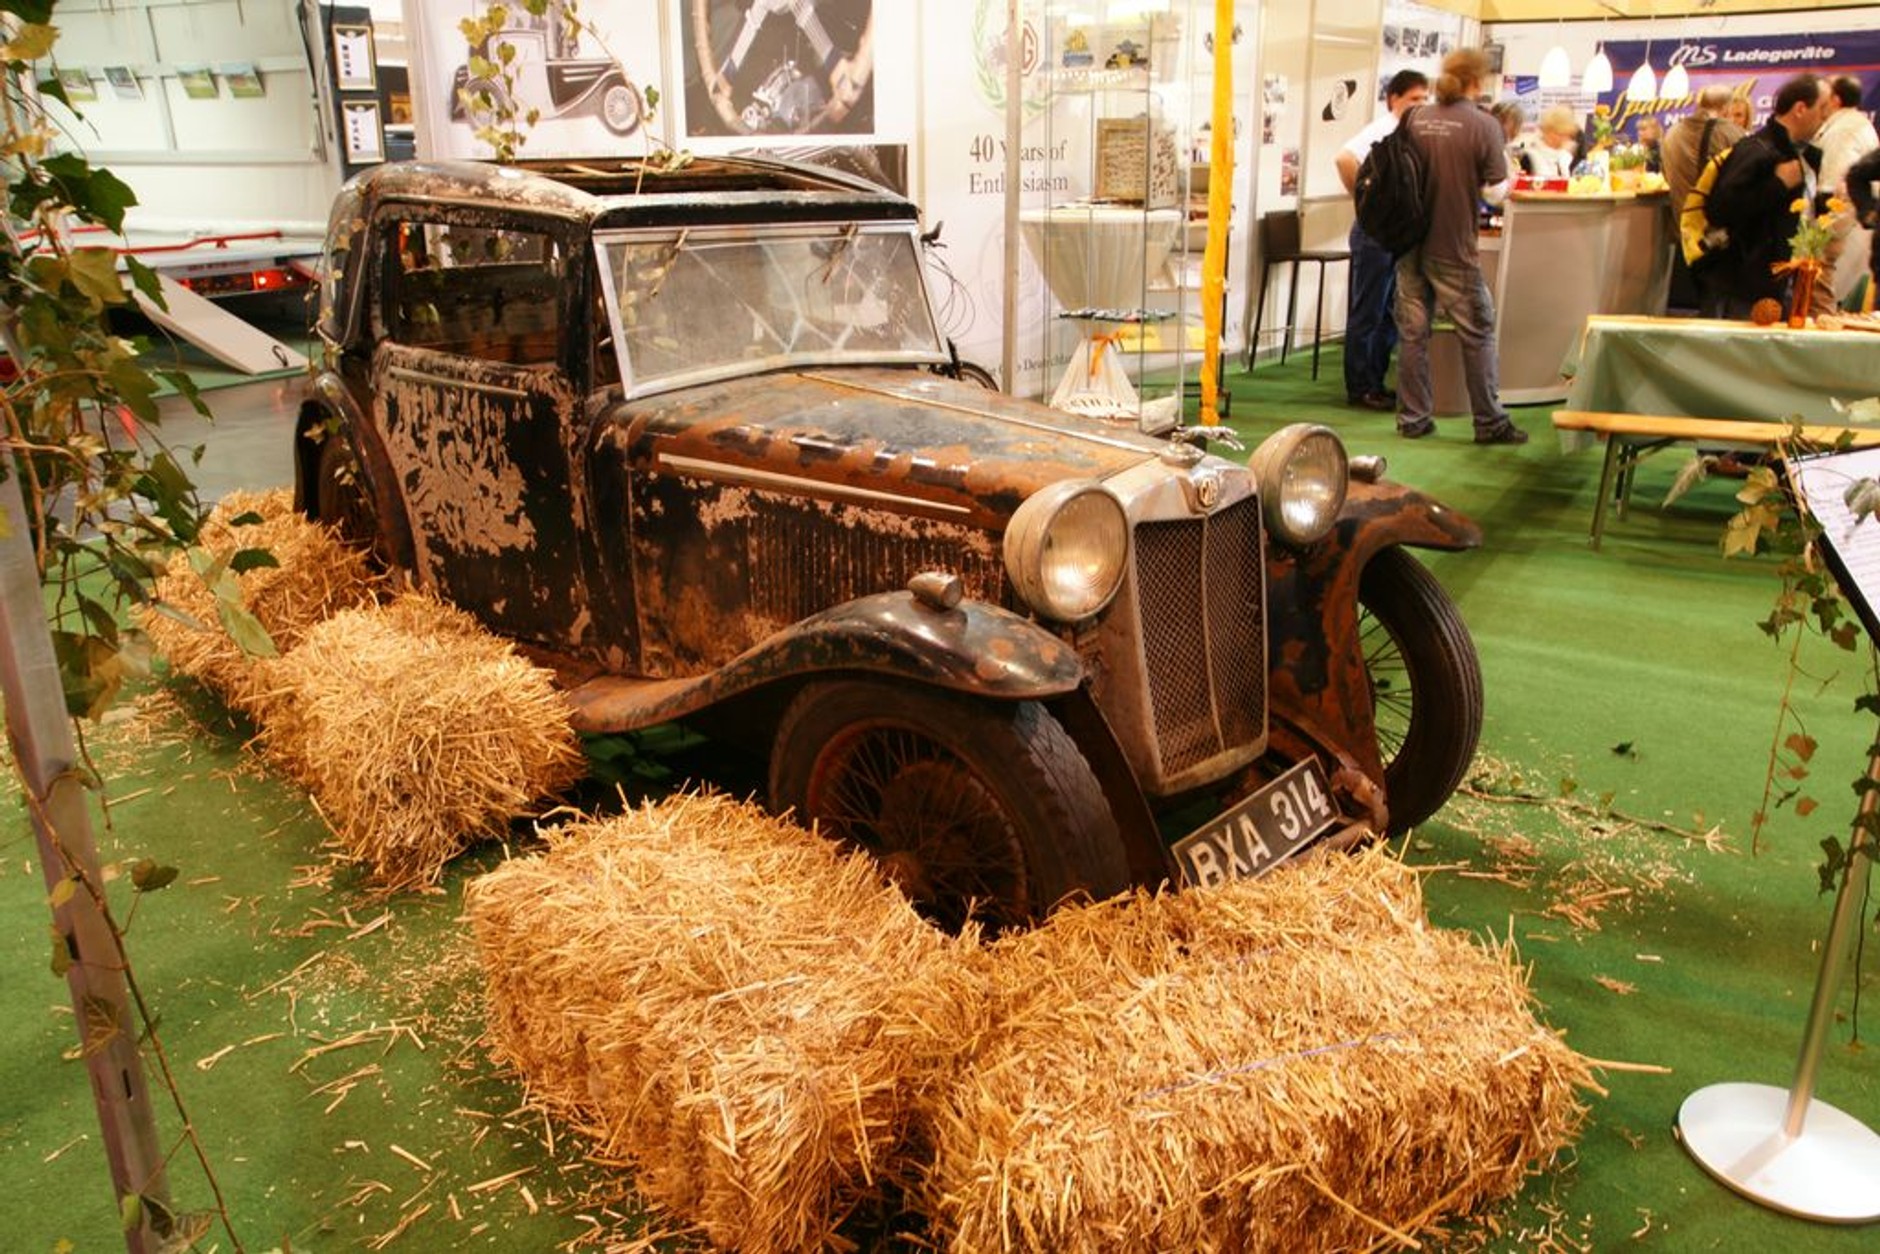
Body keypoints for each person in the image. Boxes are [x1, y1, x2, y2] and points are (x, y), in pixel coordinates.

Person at [1392, 48, 1521, 444]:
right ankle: (1490, 422)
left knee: (1413, 335)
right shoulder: (1484, 125)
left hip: (1409, 243)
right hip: (1453, 246)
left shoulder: (1415, 118)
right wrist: (1513, 180)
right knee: (1477, 332)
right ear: (1477, 81)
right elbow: (1495, 193)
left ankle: (1413, 418)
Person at [1333, 68, 1430, 412]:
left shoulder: (1412, 132)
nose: (1421, 104)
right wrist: (1365, 200)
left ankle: (1374, 382)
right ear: (1394, 99)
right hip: (1374, 232)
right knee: (1368, 311)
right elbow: (1344, 158)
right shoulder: (1383, 130)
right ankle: (1360, 386)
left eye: (1425, 98)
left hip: (1393, 234)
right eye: (1414, 98)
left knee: (1389, 311)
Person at [1699, 74, 1829, 319]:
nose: (1826, 116)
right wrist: (1777, 185)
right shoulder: (1756, 149)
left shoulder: (1807, 155)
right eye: (1822, 108)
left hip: (1785, 283)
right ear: (1801, 109)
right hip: (1746, 289)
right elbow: (1719, 210)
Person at [1663, 86, 1748, 311]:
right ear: (1726, 107)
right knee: (1715, 310)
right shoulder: (1733, 135)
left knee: (1685, 308)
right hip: (1717, 241)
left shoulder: (1672, 133)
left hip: (1682, 236)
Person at [1813, 75, 1879, 310]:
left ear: (1835, 99)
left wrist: (1822, 225)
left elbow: (1834, 182)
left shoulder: (1844, 130)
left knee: (1817, 280)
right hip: (1852, 220)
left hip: (1836, 217)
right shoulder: (1858, 124)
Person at [1521, 105, 1579, 179]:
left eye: (1567, 135)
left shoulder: (1565, 157)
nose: (1565, 139)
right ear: (1549, 132)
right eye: (1561, 134)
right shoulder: (1529, 157)